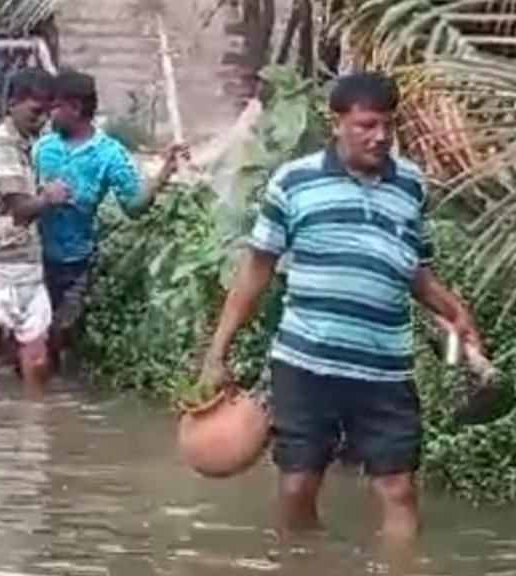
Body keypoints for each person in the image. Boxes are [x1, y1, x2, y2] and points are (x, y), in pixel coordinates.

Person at [198, 72, 485, 564]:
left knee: (398, 490)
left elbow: (414, 269)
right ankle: (308, 564)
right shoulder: (293, 182)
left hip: (385, 370)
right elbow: (255, 271)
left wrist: (455, 312)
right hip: (305, 364)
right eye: (367, 125)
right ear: (338, 124)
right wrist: (216, 353)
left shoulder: (410, 184)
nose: (380, 137)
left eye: (388, 126)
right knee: (296, 486)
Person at [33, 70, 184, 371]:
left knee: (60, 331)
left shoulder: (109, 155)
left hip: (77, 262)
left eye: (56, 107)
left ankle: (53, 397)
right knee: (32, 335)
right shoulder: (41, 147)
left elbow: (133, 206)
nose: (50, 114)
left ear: (75, 109)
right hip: (33, 259)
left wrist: (164, 174)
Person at [0, 69, 70, 395]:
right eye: (36, 112)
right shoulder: (4, 145)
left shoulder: (21, 145)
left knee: (34, 358)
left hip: (22, 266)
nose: (42, 120)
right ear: (12, 104)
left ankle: (28, 430)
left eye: (47, 113)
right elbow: (21, 208)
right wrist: (50, 197)